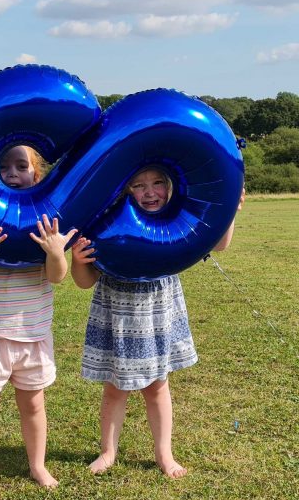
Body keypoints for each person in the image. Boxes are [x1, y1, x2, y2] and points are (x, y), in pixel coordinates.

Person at [71, 166, 243, 479]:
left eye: (157, 183)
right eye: (138, 185)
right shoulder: (108, 224)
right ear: (125, 191)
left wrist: (228, 210)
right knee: (114, 389)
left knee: (158, 387)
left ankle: (164, 453)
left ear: (170, 185)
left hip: (157, 312)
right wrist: (78, 261)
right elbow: (84, 281)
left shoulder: (175, 223)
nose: (150, 192)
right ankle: (108, 451)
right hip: (117, 313)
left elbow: (218, 244)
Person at [0, 145, 75, 500]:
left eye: (21, 166)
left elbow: (57, 277)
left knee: (33, 403)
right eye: (3, 166)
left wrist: (55, 252)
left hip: (32, 335)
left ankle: (37, 464)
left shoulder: (47, 222)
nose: (12, 172)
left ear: (36, 174)